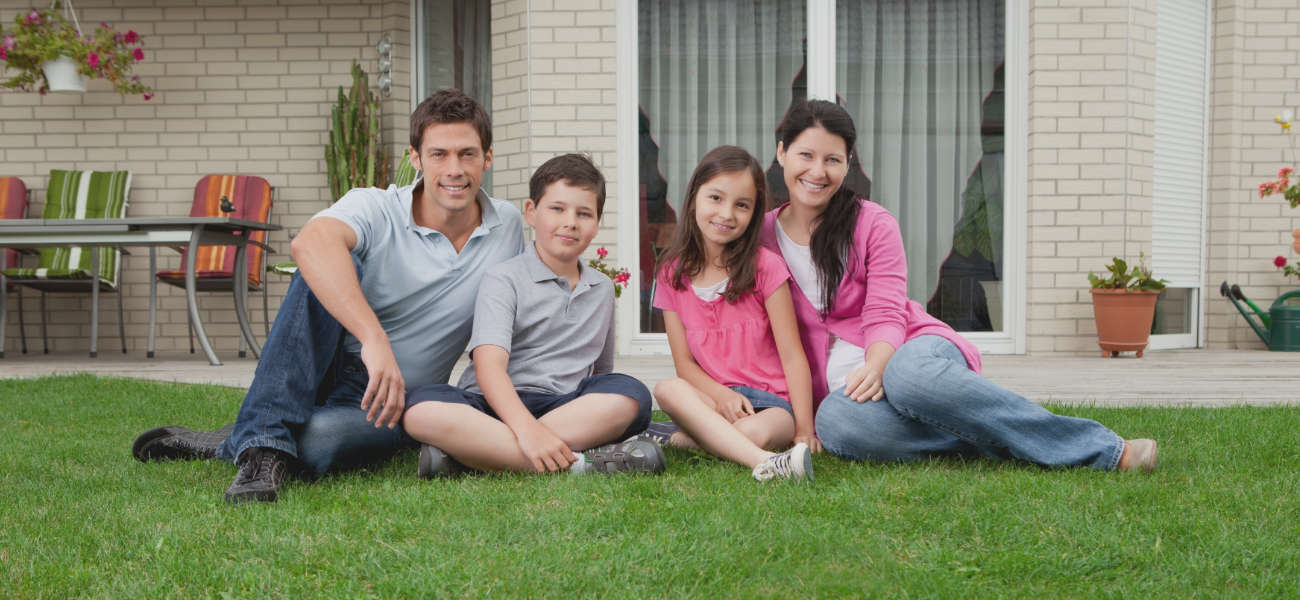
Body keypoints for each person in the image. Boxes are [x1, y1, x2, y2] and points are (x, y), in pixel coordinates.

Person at [131, 89, 527, 503]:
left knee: (321, 443)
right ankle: (263, 449)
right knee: (328, 261)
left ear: (488, 157)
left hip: (389, 398)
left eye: (467, 154)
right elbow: (310, 243)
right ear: (415, 158)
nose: (454, 169)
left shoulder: (508, 226)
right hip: (323, 361)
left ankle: (242, 435)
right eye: (439, 154)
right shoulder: (376, 206)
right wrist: (374, 340)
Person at [759, 99, 1158, 473]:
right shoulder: (760, 237)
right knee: (839, 424)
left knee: (907, 375)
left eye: (832, 159)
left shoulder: (872, 223)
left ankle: (1106, 450)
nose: (817, 171)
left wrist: (878, 364)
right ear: (782, 153)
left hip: (911, 350)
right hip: (847, 393)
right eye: (806, 155)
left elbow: (886, 311)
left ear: (847, 167)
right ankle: (999, 438)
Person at [402, 154, 663, 476]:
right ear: (531, 212)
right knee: (420, 408)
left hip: (563, 405)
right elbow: (489, 366)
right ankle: (580, 464)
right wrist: (527, 430)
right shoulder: (503, 278)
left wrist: (588, 412)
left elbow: (601, 372)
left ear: (596, 225)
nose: (570, 222)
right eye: (557, 209)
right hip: (490, 405)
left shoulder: (602, 288)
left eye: (584, 213)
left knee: (630, 394)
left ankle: (472, 456)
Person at [645, 146, 815, 482]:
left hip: (771, 404)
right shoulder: (671, 274)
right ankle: (767, 462)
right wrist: (722, 396)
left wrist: (804, 430)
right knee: (667, 389)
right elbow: (684, 366)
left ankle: (680, 439)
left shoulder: (765, 267)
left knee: (753, 431)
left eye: (742, 205)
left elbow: (793, 356)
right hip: (713, 400)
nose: (726, 214)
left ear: (754, 214)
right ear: (694, 198)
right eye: (716, 198)